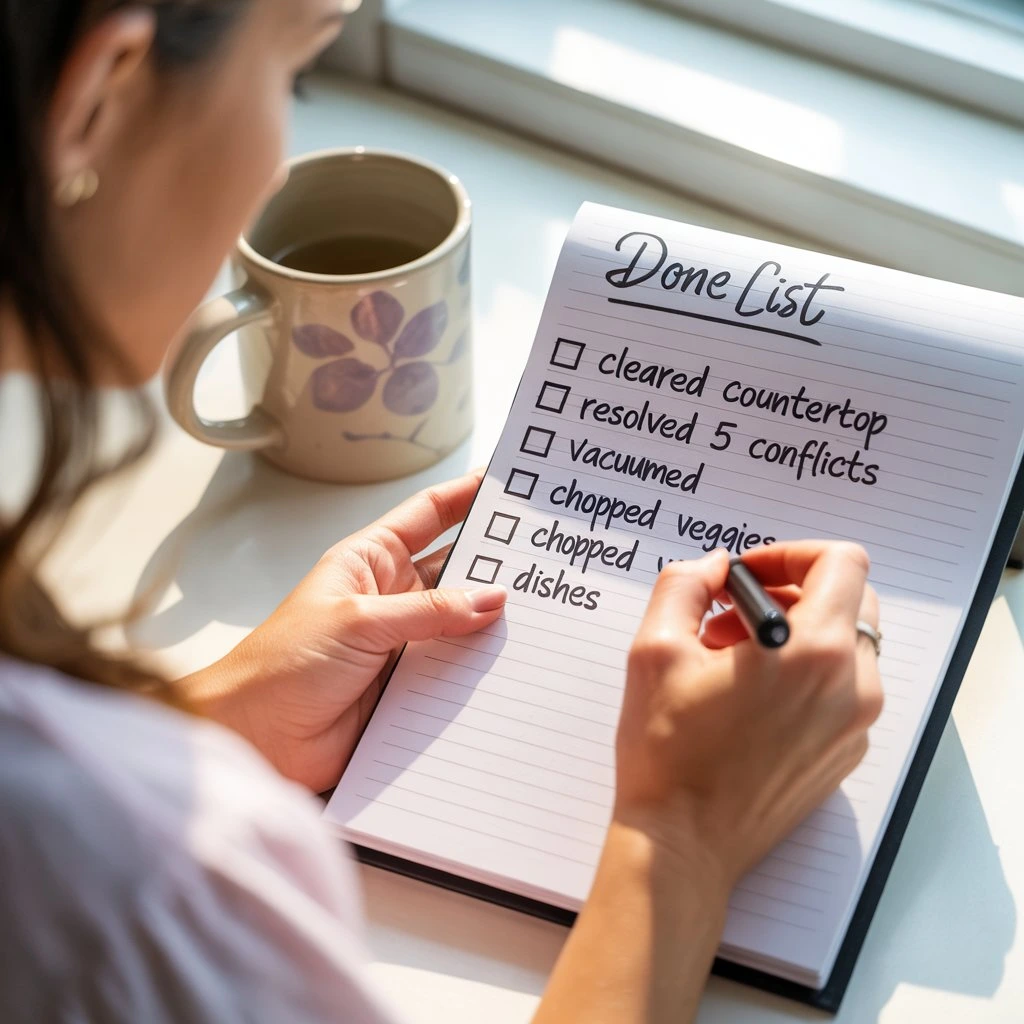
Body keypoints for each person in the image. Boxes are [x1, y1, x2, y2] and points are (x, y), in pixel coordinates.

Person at [0, 2, 883, 1021]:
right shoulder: (151, 893)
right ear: (102, 89)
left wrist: (217, 716)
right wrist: (676, 834)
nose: (273, 164)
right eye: (289, 75)